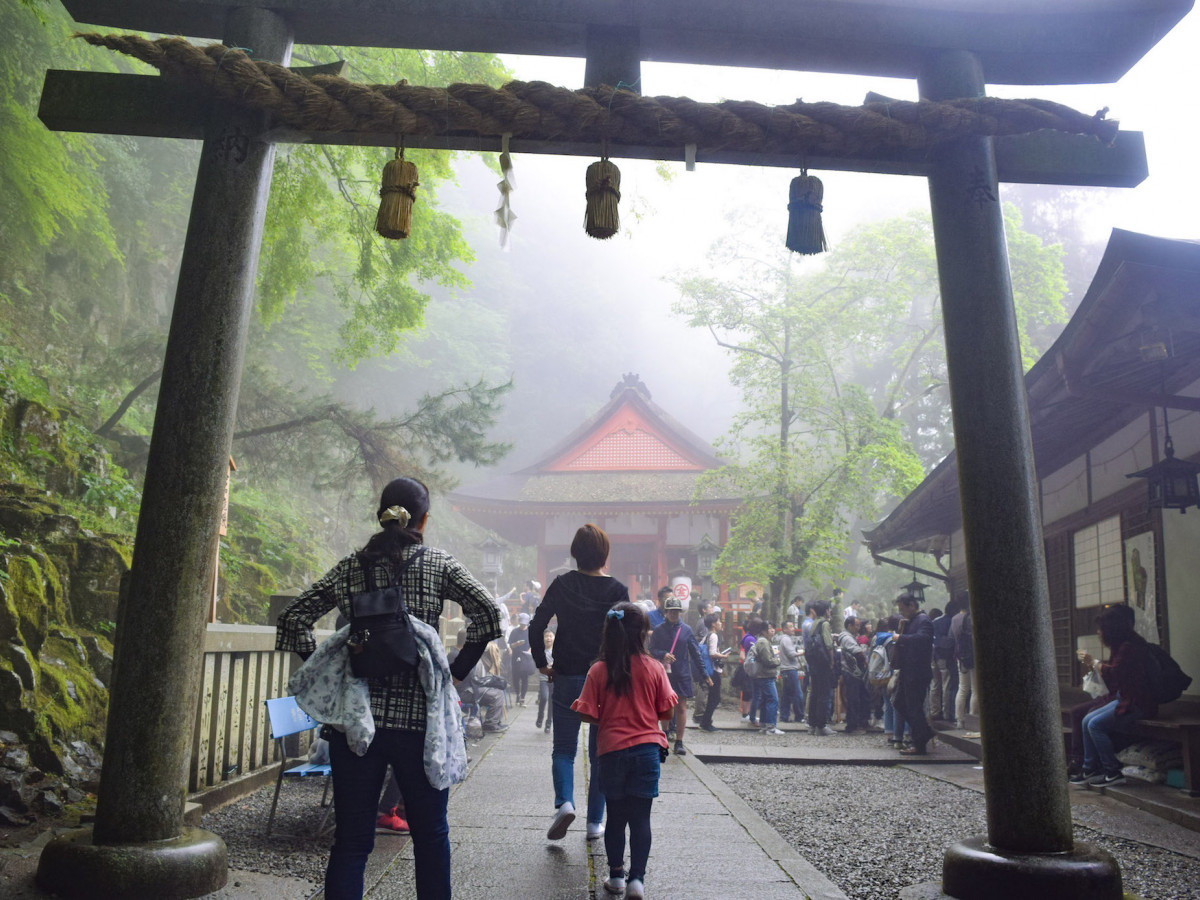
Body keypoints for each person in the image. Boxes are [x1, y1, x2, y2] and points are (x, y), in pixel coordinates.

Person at [276, 476, 502, 900]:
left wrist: (333, 672)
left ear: (381, 516)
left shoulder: (352, 566)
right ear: (424, 519)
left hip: (355, 728)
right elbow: (488, 615)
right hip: (421, 726)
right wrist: (456, 671)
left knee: (352, 842)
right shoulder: (438, 564)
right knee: (431, 837)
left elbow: (293, 619)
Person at [530, 524, 629, 841]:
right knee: (601, 752)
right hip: (605, 678)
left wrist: (542, 663)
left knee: (563, 749)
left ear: (575, 553)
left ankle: (565, 803)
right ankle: (594, 823)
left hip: (568, 674)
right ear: (605, 554)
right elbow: (627, 639)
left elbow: (536, 625)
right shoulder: (617, 591)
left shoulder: (562, 584)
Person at [573, 602, 677, 900]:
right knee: (641, 818)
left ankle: (616, 876)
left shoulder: (599, 670)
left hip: (612, 752)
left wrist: (608, 716)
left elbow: (586, 714)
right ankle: (637, 881)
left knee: (616, 818)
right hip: (647, 751)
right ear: (643, 634)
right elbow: (667, 712)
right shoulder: (654, 668)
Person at [1071, 604, 1159, 787]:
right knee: (1086, 719)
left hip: (1137, 702)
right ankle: (1090, 768)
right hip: (1124, 697)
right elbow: (1114, 678)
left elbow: (1116, 673)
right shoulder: (1121, 645)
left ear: (1111, 628)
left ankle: (1112, 770)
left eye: (1101, 628)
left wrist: (1094, 663)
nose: (1098, 633)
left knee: (1094, 724)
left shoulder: (1130, 646)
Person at [649, 594, 711, 755]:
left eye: (676, 611)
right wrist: (663, 654)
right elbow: (651, 650)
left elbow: (696, 653)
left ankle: (679, 741)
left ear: (680, 612)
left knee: (681, 707)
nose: (673, 614)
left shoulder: (686, 630)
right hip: (664, 674)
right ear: (665, 612)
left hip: (682, 672)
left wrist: (704, 674)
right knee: (665, 705)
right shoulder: (658, 630)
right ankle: (665, 734)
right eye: (670, 611)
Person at [893, 592, 936, 755]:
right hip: (908, 671)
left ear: (912, 605)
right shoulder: (911, 621)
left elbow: (923, 639)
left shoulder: (924, 621)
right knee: (900, 703)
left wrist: (901, 638)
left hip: (918, 672)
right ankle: (924, 731)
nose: (902, 613)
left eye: (903, 609)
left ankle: (920, 743)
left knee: (914, 707)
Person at [448, 629, 507, 733]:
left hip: (469, 688)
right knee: (497, 695)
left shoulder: (458, 654)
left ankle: (494, 722)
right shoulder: (456, 656)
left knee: (497, 688)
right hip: (463, 692)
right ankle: (490, 724)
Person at [805, 600, 836, 736]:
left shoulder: (813, 624)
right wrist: (832, 661)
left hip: (814, 663)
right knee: (824, 694)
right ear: (827, 611)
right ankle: (821, 726)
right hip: (823, 663)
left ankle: (812, 725)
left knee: (815, 693)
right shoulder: (824, 623)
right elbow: (828, 645)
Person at [836, 616, 871, 733]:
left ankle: (859, 722)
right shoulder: (847, 638)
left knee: (859, 697)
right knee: (853, 698)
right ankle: (852, 725)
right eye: (856, 625)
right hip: (851, 672)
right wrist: (865, 662)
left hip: (854, 672)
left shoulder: (850, 637)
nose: (858, 628)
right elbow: (858, 652)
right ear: (849, 626)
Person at [696, 612, 728, 732]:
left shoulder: (707, 636)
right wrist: (723, 656)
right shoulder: (714, 636)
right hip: (713, 671)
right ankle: (706, 722)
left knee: (712, 697)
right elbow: (712, 653)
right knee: (715, 698)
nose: (720, 623)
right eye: (719, 621)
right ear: (714, 624)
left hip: (708, 669)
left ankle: (706, 721)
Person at [751, 620, 783, 735]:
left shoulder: (763, 641)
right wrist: (778, 660)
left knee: (765, 700)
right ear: (764, 631)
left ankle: (764, 724)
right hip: (766, 675)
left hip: (763, 675)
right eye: (770, 628)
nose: (772, 630)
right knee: (772, 699)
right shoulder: (763, 642)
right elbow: (767, 660)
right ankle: (771, 726)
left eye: (773, 627)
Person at [776, 620, 805, 724]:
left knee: (786, 694)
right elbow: (791, 654)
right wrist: (802, 653)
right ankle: (799, 715)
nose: (793, 628)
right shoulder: (786, 639)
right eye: (790, 627)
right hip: (790, 669)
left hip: (785, 669)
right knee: (797, 693)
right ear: (784, 629)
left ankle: (784, 716)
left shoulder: (784, 639)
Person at [508, 612, 535, 706]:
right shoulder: (514, 631)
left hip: (526, 657)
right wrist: (516, 644)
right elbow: (510, 644)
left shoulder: (530, 631)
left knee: (525, 678)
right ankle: (517, 694)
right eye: (521, 623)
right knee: (515, 677)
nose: (523, 625)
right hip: (516, 657)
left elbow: (533, 644)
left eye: (524, 624)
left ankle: (522, 697)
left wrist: (529, 650)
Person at [535, 630, 555, 733]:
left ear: (554, 638)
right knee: (543, 697)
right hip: (543, 679)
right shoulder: (541, 651)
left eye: (550, 636)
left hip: (554, 680)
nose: (548, 638)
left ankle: (548, 724)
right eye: (546, 636)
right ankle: (540, 716)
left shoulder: (557, 651)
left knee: (552, 702)